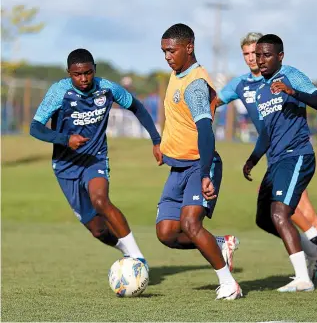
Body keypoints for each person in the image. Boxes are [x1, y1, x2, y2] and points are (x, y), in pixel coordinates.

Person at [218, 32, 317, 279]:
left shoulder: (286, 75)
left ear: (273, 55)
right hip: (273, 156)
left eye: (258, 52)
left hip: (293, 154)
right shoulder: (243, 85)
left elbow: (315, 96)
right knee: (285, 215)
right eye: (247, 54)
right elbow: (218, 101)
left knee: (301, 214)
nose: (253, 58)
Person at [30, 48, 162, 269]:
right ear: (69, 73)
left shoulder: (107, 88)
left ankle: (138, 259)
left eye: (88, 72)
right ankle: (126, 252)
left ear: (94, 70)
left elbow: (137, 107)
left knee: (100, 200)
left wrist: (156, 139)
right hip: (65, 165)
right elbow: (35, 128)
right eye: (77, 74)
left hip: (95, 158)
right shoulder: (58, 92)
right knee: (98, 230)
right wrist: (65, 139)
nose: (83, 78)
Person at [156, 23, 242, 300]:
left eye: (172, 50)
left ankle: (229, 283)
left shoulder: (194, 84)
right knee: (166, 233)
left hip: (199, 165)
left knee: (191, 224)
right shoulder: (176, 73)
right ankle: (220, 244)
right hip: (178, 166)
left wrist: (205, 174)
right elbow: (178, 121)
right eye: (164, 51)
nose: (167, 56)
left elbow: (205, 131)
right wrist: (162, 144)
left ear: (189, 48)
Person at [242, 34, 317, 292]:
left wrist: (293, 92)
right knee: (264, 218)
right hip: (276, 161)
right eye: (258, 55)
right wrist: (253, 159)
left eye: (267, 55)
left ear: (280, 56)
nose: (261, 60)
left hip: (297, 155)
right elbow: (267, 134)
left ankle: (303, 279)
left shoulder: (291, 75)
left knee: (280, 212)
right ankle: (315, 249)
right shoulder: (261, 92)